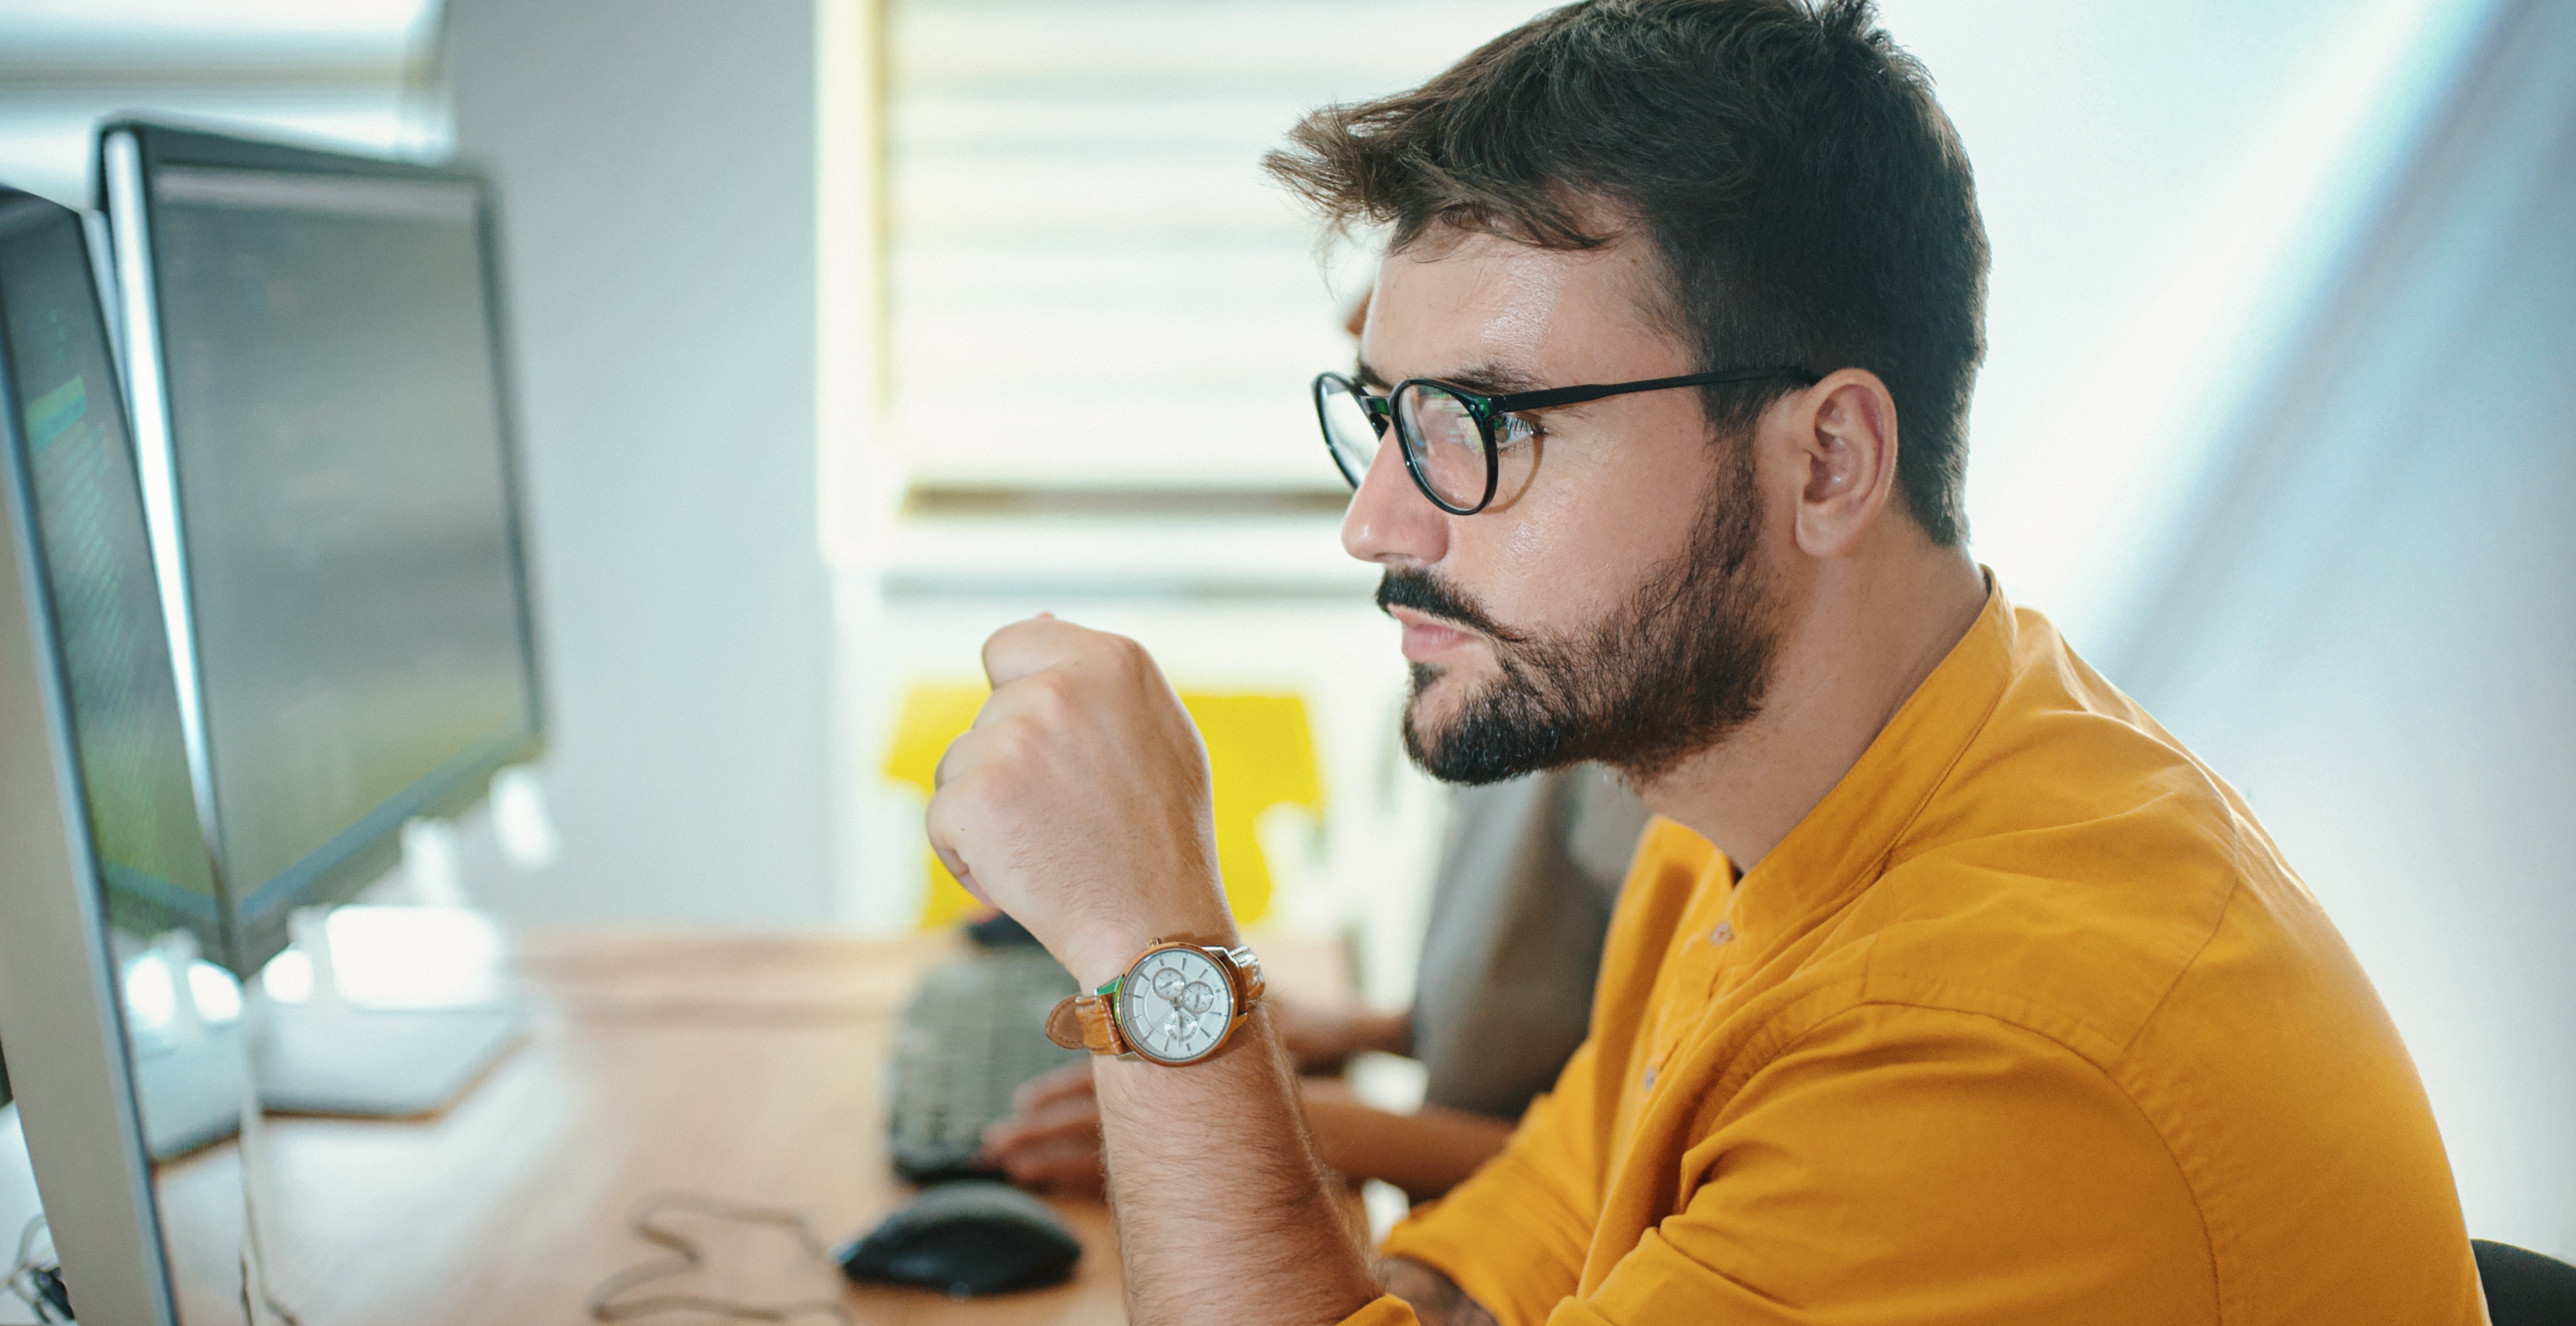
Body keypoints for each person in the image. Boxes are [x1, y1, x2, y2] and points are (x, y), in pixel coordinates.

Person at [920, 1, 2485, 1322]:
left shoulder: (1991, 1056)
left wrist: (1158, 949)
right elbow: (1475, 1283)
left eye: (1488, 423)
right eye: (1385, 418)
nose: (1376, 520)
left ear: (1822, 463)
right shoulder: (1758, 817)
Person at [980, 764, 1649, 1202]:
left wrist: (1264, 1129)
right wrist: (1376, 1030)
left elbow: (1633, 1167)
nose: (1368, 541)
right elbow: (1573, 1007)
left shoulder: (1658, 803)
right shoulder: (1513, 701)